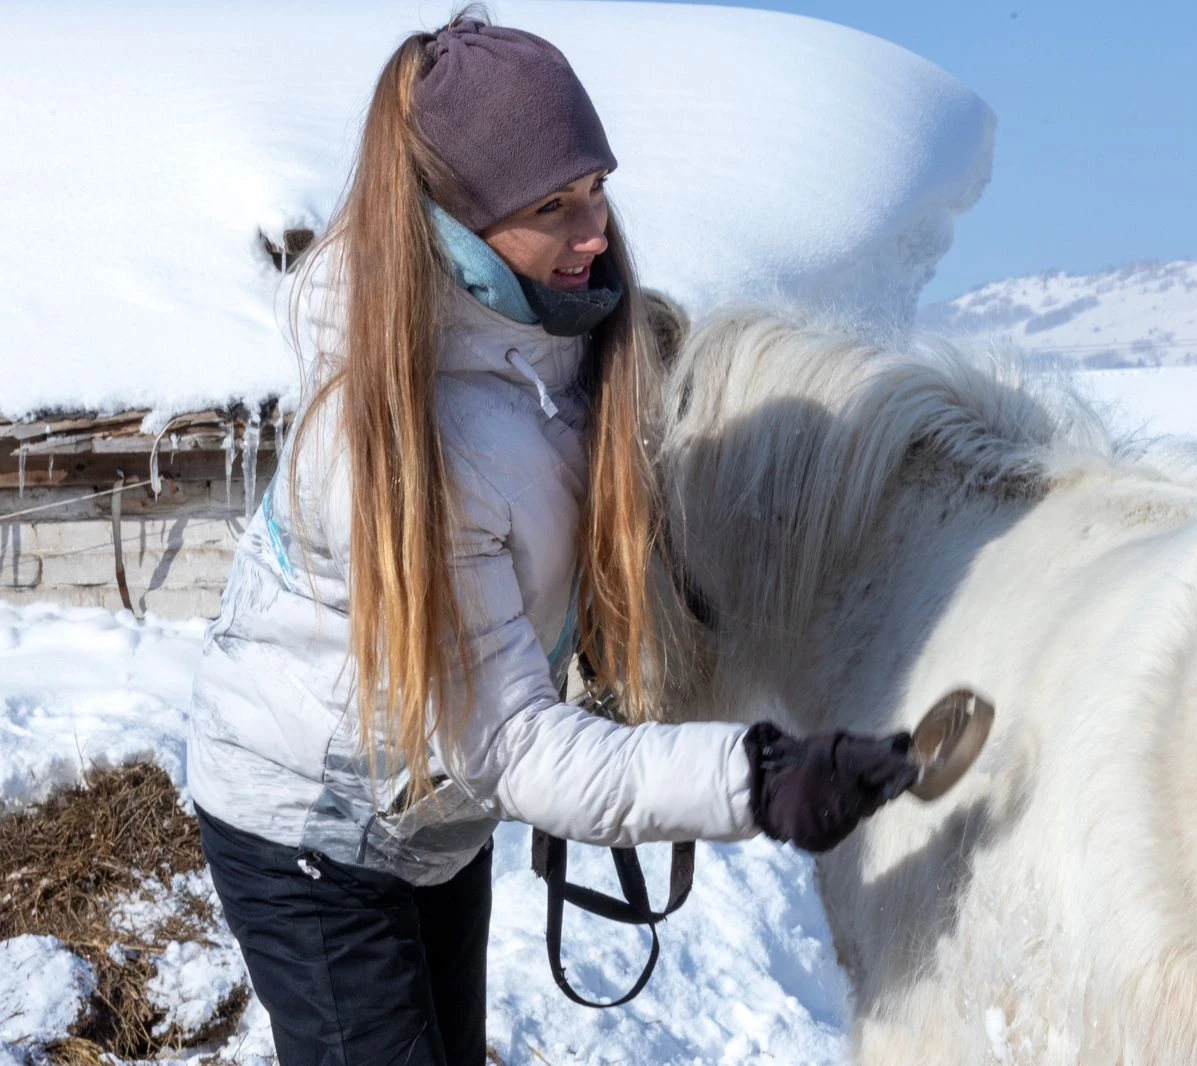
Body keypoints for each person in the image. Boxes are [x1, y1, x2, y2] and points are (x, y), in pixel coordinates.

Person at [186, 16, 916, 1066]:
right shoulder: (393, 443)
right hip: (308, 828)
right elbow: (517, 748)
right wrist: (761, 778)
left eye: (595, 188)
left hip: (428, 812)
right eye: (552, 206)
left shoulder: (564, 333)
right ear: (455, 228)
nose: (594, 231)